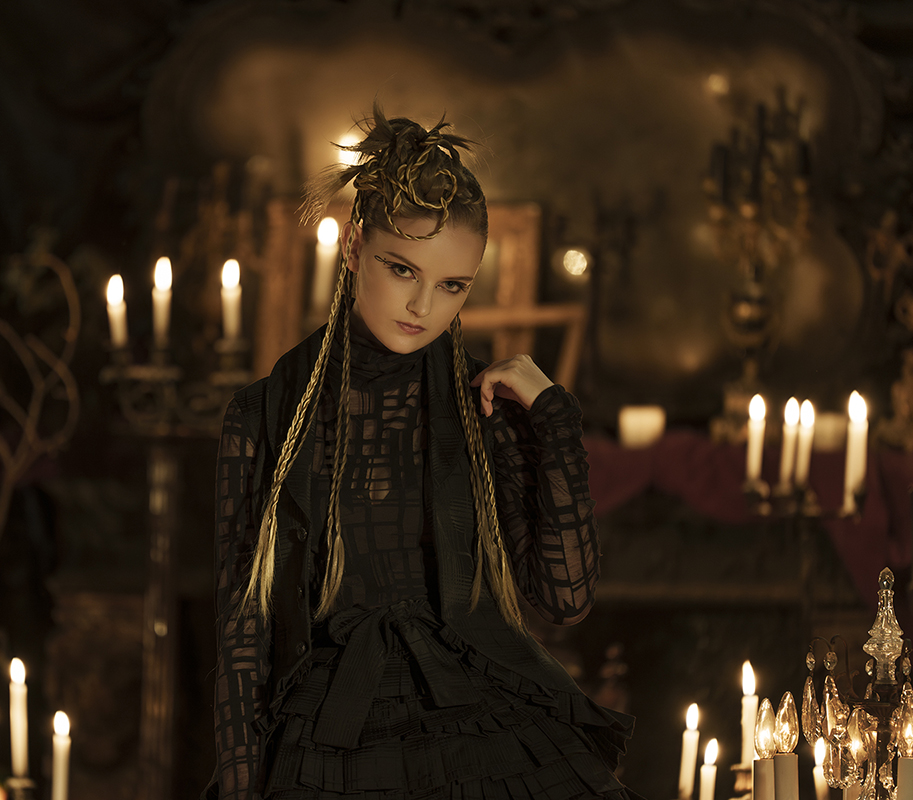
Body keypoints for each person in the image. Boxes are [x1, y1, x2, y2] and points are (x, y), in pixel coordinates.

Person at [210, 106, 638, 800]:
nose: (423, 307)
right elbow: (241, 634)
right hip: (329, 736)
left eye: (452, 285)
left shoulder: (485, 410)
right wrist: (238, 786)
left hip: (478, 719)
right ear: (354, 248)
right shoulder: (264, 417)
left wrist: (554, 421)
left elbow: (565, 599)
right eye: (401, 268)